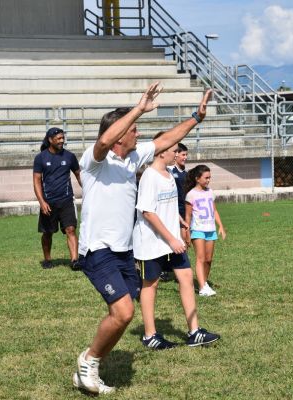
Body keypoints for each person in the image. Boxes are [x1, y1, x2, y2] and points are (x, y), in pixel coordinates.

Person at [73, 82, 213, 394]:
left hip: (125, 251)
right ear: (119, 135)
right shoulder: (94, 161)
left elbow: (166, 139)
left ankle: (90, 363)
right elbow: (104, 140)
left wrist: (196, 117)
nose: (138, 134)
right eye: (134, 129)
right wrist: (138, 108)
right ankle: (89, 360)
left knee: (124, 315)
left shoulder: (133, 159)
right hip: (99, 250)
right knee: (123, 312)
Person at [133, 134, 220, 350]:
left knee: (186, 278)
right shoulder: (149, 177)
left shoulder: (169, 176)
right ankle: (150, 335)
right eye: (173, 150)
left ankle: (194, 332)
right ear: (162, 151)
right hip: (152, 242)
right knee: (150, 285)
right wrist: (171, 239)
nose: (177, 153)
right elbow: (148, 212)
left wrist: (180, 222)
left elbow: (168, 207)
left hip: (173, 241)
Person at [32, 127, 81, 270]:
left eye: (63, 138)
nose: (62, 141)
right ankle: (47, 259)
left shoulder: (70, 157)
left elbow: (79, 175)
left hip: (66, 201)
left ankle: (74, 260)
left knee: (71, 229)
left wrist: (89, 190)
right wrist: (42, 202)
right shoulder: (40, 158)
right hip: (48, 203)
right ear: (50, 140)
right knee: (47, 233)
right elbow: (36, 181)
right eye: (58, 138)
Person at [184, 164, 226, 296]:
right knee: (200, 258)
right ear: (197, 178)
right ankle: (202, 288)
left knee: (208, 259)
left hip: (210, 230)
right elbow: (188, 216)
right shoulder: (191, 195)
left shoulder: (210, 192)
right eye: (206, 177)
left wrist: (221, 226)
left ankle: (204, 282)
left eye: (210, 178)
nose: (208, 180)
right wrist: (187, 233)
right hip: (198, 230)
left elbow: (214, 210)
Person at [160, 142, 190, 282]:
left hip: (185, 212)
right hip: (173, 212)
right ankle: (165, 269)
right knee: (176, 240)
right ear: (176, 154)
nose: (185, 157)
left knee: (185, 241)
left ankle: (181, 268)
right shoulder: (170, 172)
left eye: (186, 155)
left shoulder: (187, 174)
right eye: (183, 154)